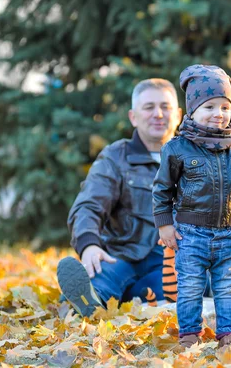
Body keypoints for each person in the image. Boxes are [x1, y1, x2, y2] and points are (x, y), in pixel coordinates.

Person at [152, 64, 231, 350]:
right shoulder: (177, 149)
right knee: (191, 287)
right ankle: (190, 334)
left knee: (228, 287)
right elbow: (162, 190)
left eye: (224, 107)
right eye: (209, 107)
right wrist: (165, 224)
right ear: (191, 111)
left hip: (230, 235)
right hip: (191, 234)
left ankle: (229, 333)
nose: (218, 114)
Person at [57, 78, 182, 317]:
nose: (158, 114)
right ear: (133, 117)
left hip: (168, 261)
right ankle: (83, 305)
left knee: (181, 287)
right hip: (121, 254)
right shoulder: (116, 157)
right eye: (149, 107)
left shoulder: (193, 160)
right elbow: (89, 205)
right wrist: (89, 245)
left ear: (177, 114)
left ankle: (134, 299)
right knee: (102, 275)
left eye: (165, 107)